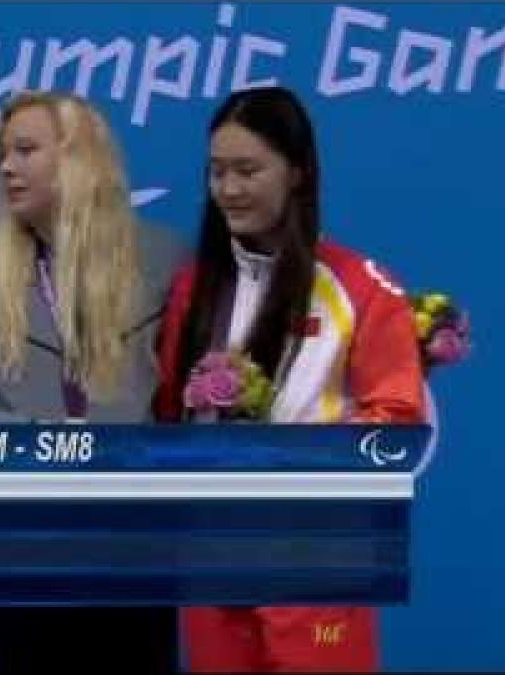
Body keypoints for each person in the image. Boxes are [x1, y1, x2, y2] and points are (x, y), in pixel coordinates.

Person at [0, 91, 185, 672]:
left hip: (135, 543)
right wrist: (16, 439)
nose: (7, 168)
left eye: (26, 150)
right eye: (3, 155)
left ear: (78, 158)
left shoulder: (166, 260)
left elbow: (198, 391)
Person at [153, 86, 426, 672]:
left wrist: (284, 471)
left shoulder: (362, 287)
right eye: (216, 172)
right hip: (213, 563)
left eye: (247, 170)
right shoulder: (192, 290)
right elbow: (167, 416)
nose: (228, 189)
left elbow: (397, 427)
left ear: (297, 172)